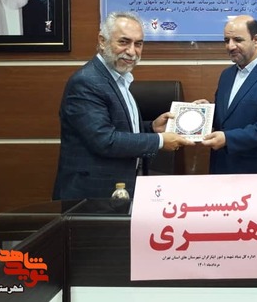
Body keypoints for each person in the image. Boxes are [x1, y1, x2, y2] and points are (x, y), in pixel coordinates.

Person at [52, 11, 192, 200]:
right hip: (92, 196)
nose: (132, 51)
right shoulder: (87, 82)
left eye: (138, 44)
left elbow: (120, 128)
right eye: (124, 42)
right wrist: (159, 141)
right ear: (102, 41)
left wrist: (151, 128)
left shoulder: (119, 78)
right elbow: (105, 140)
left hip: (121, 190)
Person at [199, 15, 257, 198]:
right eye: (226, 40)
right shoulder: (226, 75)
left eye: (237, 40)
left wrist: (227, 139)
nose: (230, 46)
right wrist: (206, 111)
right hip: (223, 172)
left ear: (255, 40)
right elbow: (228, 116)